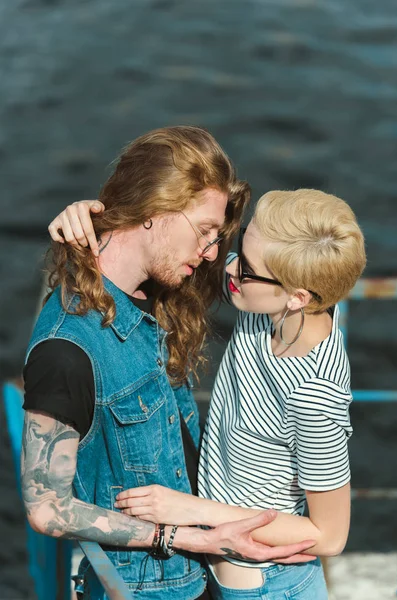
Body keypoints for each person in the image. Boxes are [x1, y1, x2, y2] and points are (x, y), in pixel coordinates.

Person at [22, 126, 314, 600]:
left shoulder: (157, 290)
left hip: (204, 573)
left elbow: (293, 286)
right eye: (204, 231)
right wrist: (188, 537)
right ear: (155, 209)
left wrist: (90, 216)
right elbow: (46, 508)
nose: (213, 252)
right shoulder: (67, 351)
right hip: (149, 589)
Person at [55, 188, 366, 599]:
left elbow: (329, 536)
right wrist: (91, 220)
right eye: (238, 249)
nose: (228, 267)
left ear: (298, 297)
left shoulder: (314, 395)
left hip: (266, 587)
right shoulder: (273, 309)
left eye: (247, 270)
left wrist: (189, 510)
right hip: (222, 569)